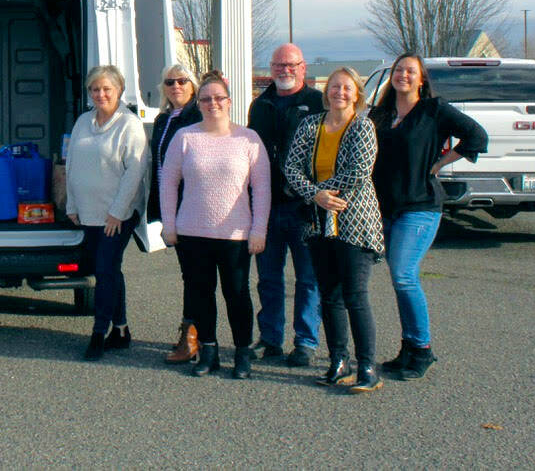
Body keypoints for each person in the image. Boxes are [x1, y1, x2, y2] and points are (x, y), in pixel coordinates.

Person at [369, 53, 487, 380]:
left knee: (404, 275)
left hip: (420, 206)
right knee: (398, 277)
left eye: (410, 71)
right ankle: (408, 349)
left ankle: (422, 349)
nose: (403, 75)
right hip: (387, 208)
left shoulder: (434, 111)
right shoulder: (381, 114)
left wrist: (441, 162)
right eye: (398, 70)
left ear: (421, 79)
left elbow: (477, 136)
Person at [160, 70, 270, 379]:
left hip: (235, 234)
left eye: (218, 98)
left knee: (237, 294)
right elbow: (168, 182)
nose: (212, 104)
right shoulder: (185, 137)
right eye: (206, 99)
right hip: (192, 232)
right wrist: (170, 224)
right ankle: (208, 350)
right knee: (200, 293)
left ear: (229, 101)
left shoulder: (248, 139)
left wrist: (258, 230)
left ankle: (242, 352)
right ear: (199, 102)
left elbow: (262, 189)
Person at [284, 68, 385, 393]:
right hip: (318, 223)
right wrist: (315, 195)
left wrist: (321, 191)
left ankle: (367, 366)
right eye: (334, 87)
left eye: (346, 88)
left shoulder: (363, 126)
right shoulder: (309, 125)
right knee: (329, 297)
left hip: (355, 223)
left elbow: (359, 171)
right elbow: (291, 166)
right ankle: (338, 361)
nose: (339, 92)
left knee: (355, 296)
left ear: (357, 94)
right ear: (326, 93)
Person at [65, 65, 150, 361]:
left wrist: (117, 213)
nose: (100, 94)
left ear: (119, 92)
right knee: (110, 269)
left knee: (103, 269)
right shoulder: (82, 122)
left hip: (118, 215)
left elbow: (135, 172)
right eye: (95, 89)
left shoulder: (129, 125)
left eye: (106, 89)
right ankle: (122, 329)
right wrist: (72, 205)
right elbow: (72, 164)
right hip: (88, 212)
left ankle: (98, 334)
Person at [247, 42, 324, 367]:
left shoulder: (317, 103)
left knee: (308, 279)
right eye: (279, 65)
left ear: (303, 68)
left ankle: (305, 343)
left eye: (291, 65)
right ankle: (270, 339)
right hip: (267, 206)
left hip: (305, 207)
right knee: (268, 279)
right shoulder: (260, 106)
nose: (285, 70)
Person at [149, 63, 202, 365]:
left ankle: (193, 336)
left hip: (191, 207)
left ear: (193, 85)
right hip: (170, 207)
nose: (176, 87)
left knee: (195, 274)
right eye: (170, 82)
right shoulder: (163, 119)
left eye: (183, 81)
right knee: (189, 273)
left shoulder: (197, 116)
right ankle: (193, 332)